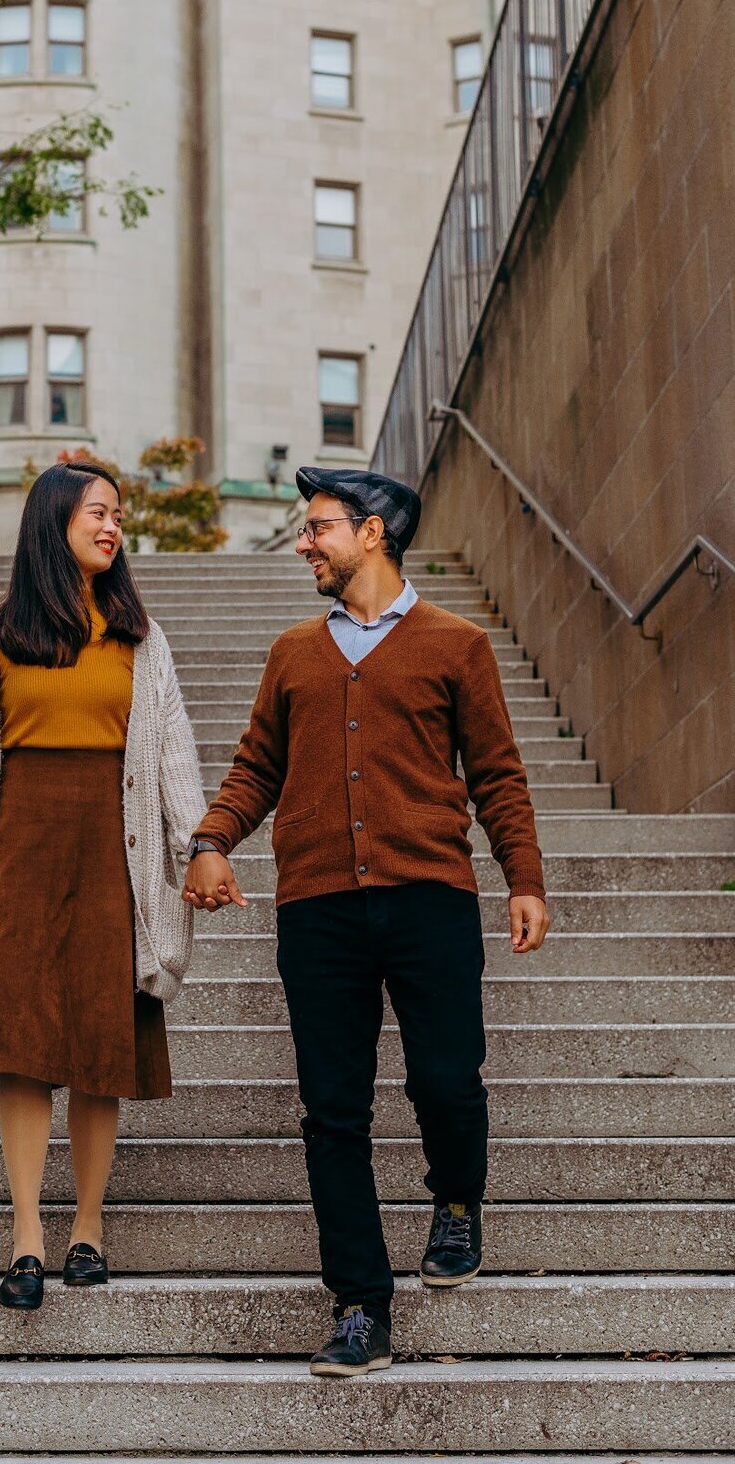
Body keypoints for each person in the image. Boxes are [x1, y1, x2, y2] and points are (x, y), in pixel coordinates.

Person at [182, 467, 550, 1377]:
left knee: (447, 1081)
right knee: (332, 1113)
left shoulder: (456, 645)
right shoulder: (292, 653)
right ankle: (358, 1304)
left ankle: (457, 1200)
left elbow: (498, 773)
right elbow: (255, 766)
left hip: (430, 896)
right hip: (318, 910)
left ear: (374, 532)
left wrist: (524, 879)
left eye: (317, 529)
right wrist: (211, 839)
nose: (303, 544)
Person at [0, 461, 206, 1310]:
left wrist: (200, 846)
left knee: (97, 1039)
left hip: (111, 851)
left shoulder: (140, 636)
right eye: (98, 513)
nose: (113, 527)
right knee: (21, 1042)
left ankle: (88, 1226)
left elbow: (172, 754)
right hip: (19, 850)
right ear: (54, 522)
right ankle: (25, 1237)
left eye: (119, 516)